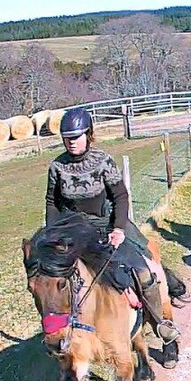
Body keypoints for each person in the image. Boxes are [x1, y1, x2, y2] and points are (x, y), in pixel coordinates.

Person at [45, 107, 179, 343]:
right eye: (66, 138)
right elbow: (52, 203)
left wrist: (118, 229)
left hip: (107, 224)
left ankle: (161, 323)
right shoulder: (57, 167)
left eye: (75, 137)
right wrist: (54, 235)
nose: (71, 143)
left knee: (142, 270)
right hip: (74, 232)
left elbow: (120, 196)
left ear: (89, 134)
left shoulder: (103, 161)